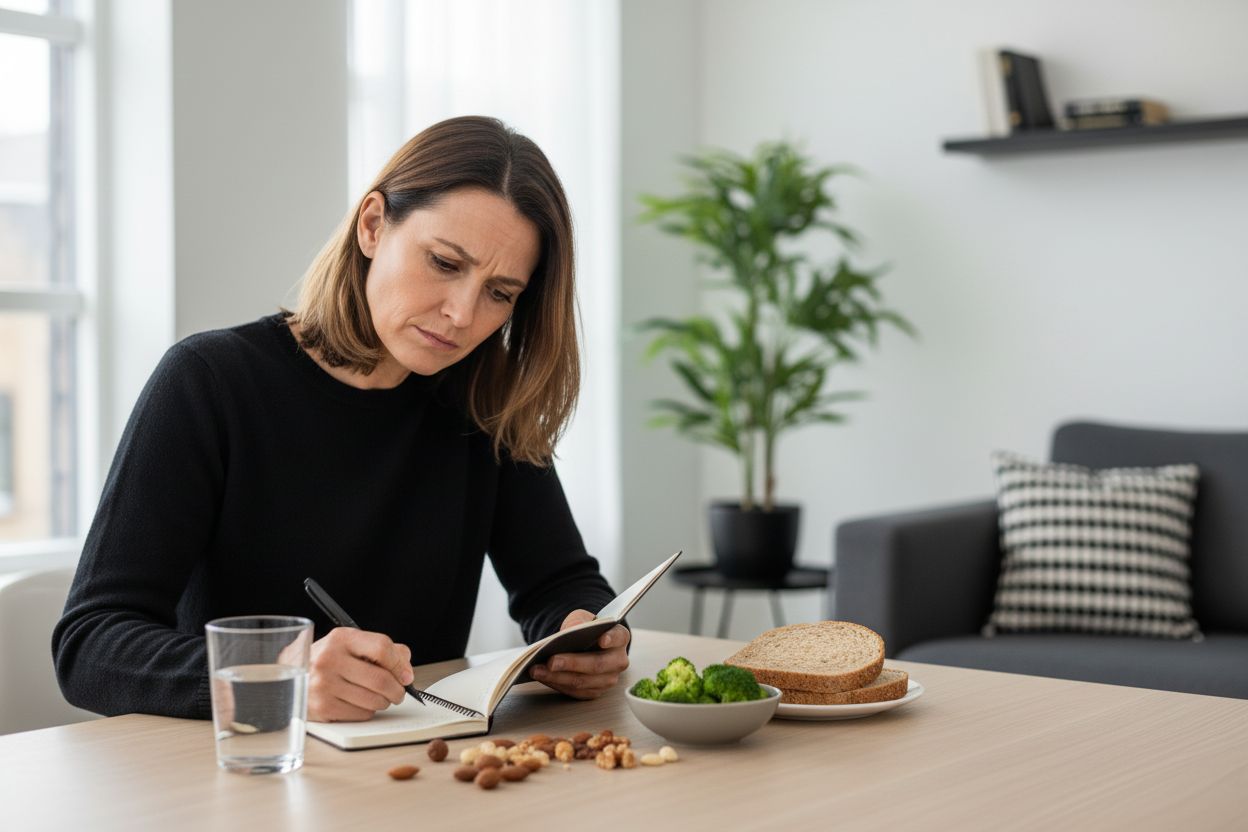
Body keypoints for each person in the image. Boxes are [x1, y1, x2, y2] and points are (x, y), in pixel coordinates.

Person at [53, 116, 630, 722]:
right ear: (374, 225)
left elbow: (559, 584)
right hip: (241, 777)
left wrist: (582, 636)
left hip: (421, 773)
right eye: (444, 263)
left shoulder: (483, 400)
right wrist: (280, 678)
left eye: (500, 294)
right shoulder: (209, 381)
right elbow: (90, 645)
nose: (462, 314)